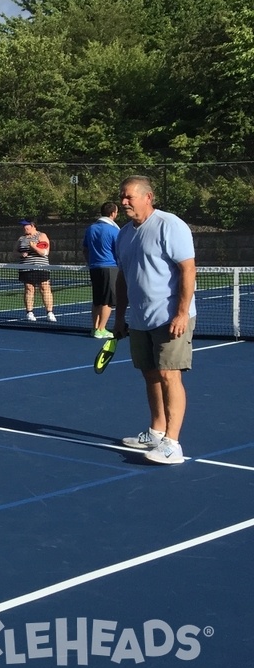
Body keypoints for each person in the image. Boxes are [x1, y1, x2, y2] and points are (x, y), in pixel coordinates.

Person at [114, 176, 196, 466]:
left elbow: (187, 269)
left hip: (169, 317)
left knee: (169, 375)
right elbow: (123, 276)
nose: (123, 202)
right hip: (139, 319)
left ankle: (172, 444)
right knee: (149, 374)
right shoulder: (123, 234)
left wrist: (182, 313)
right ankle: (157, 430)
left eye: (129, 197)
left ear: (147, 197)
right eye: (122, 197)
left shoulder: (169, 225)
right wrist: (121, 314)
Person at [82, 202, 120, 338]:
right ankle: (101, 329)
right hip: (109, 268)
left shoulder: (90, 229)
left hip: (94, 268)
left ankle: (95, 328)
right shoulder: (114, 230)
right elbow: (119, 251)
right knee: (107, 301)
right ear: (113, 213)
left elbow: (85, 250)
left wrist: (90, 262)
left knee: (97, 300)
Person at [16, 219, 56, 322]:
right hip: (26, 267)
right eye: (23, 226)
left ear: (32, 225)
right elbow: (14, 251)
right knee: (29, 288)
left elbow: (44, 252)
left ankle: (49, 313)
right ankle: (29, 313)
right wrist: (20, 254)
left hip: (41, 267)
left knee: (44, 287)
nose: (24, 227)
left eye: (26, 225)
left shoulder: (42, 236)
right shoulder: (21, 239)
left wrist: (34, 247)